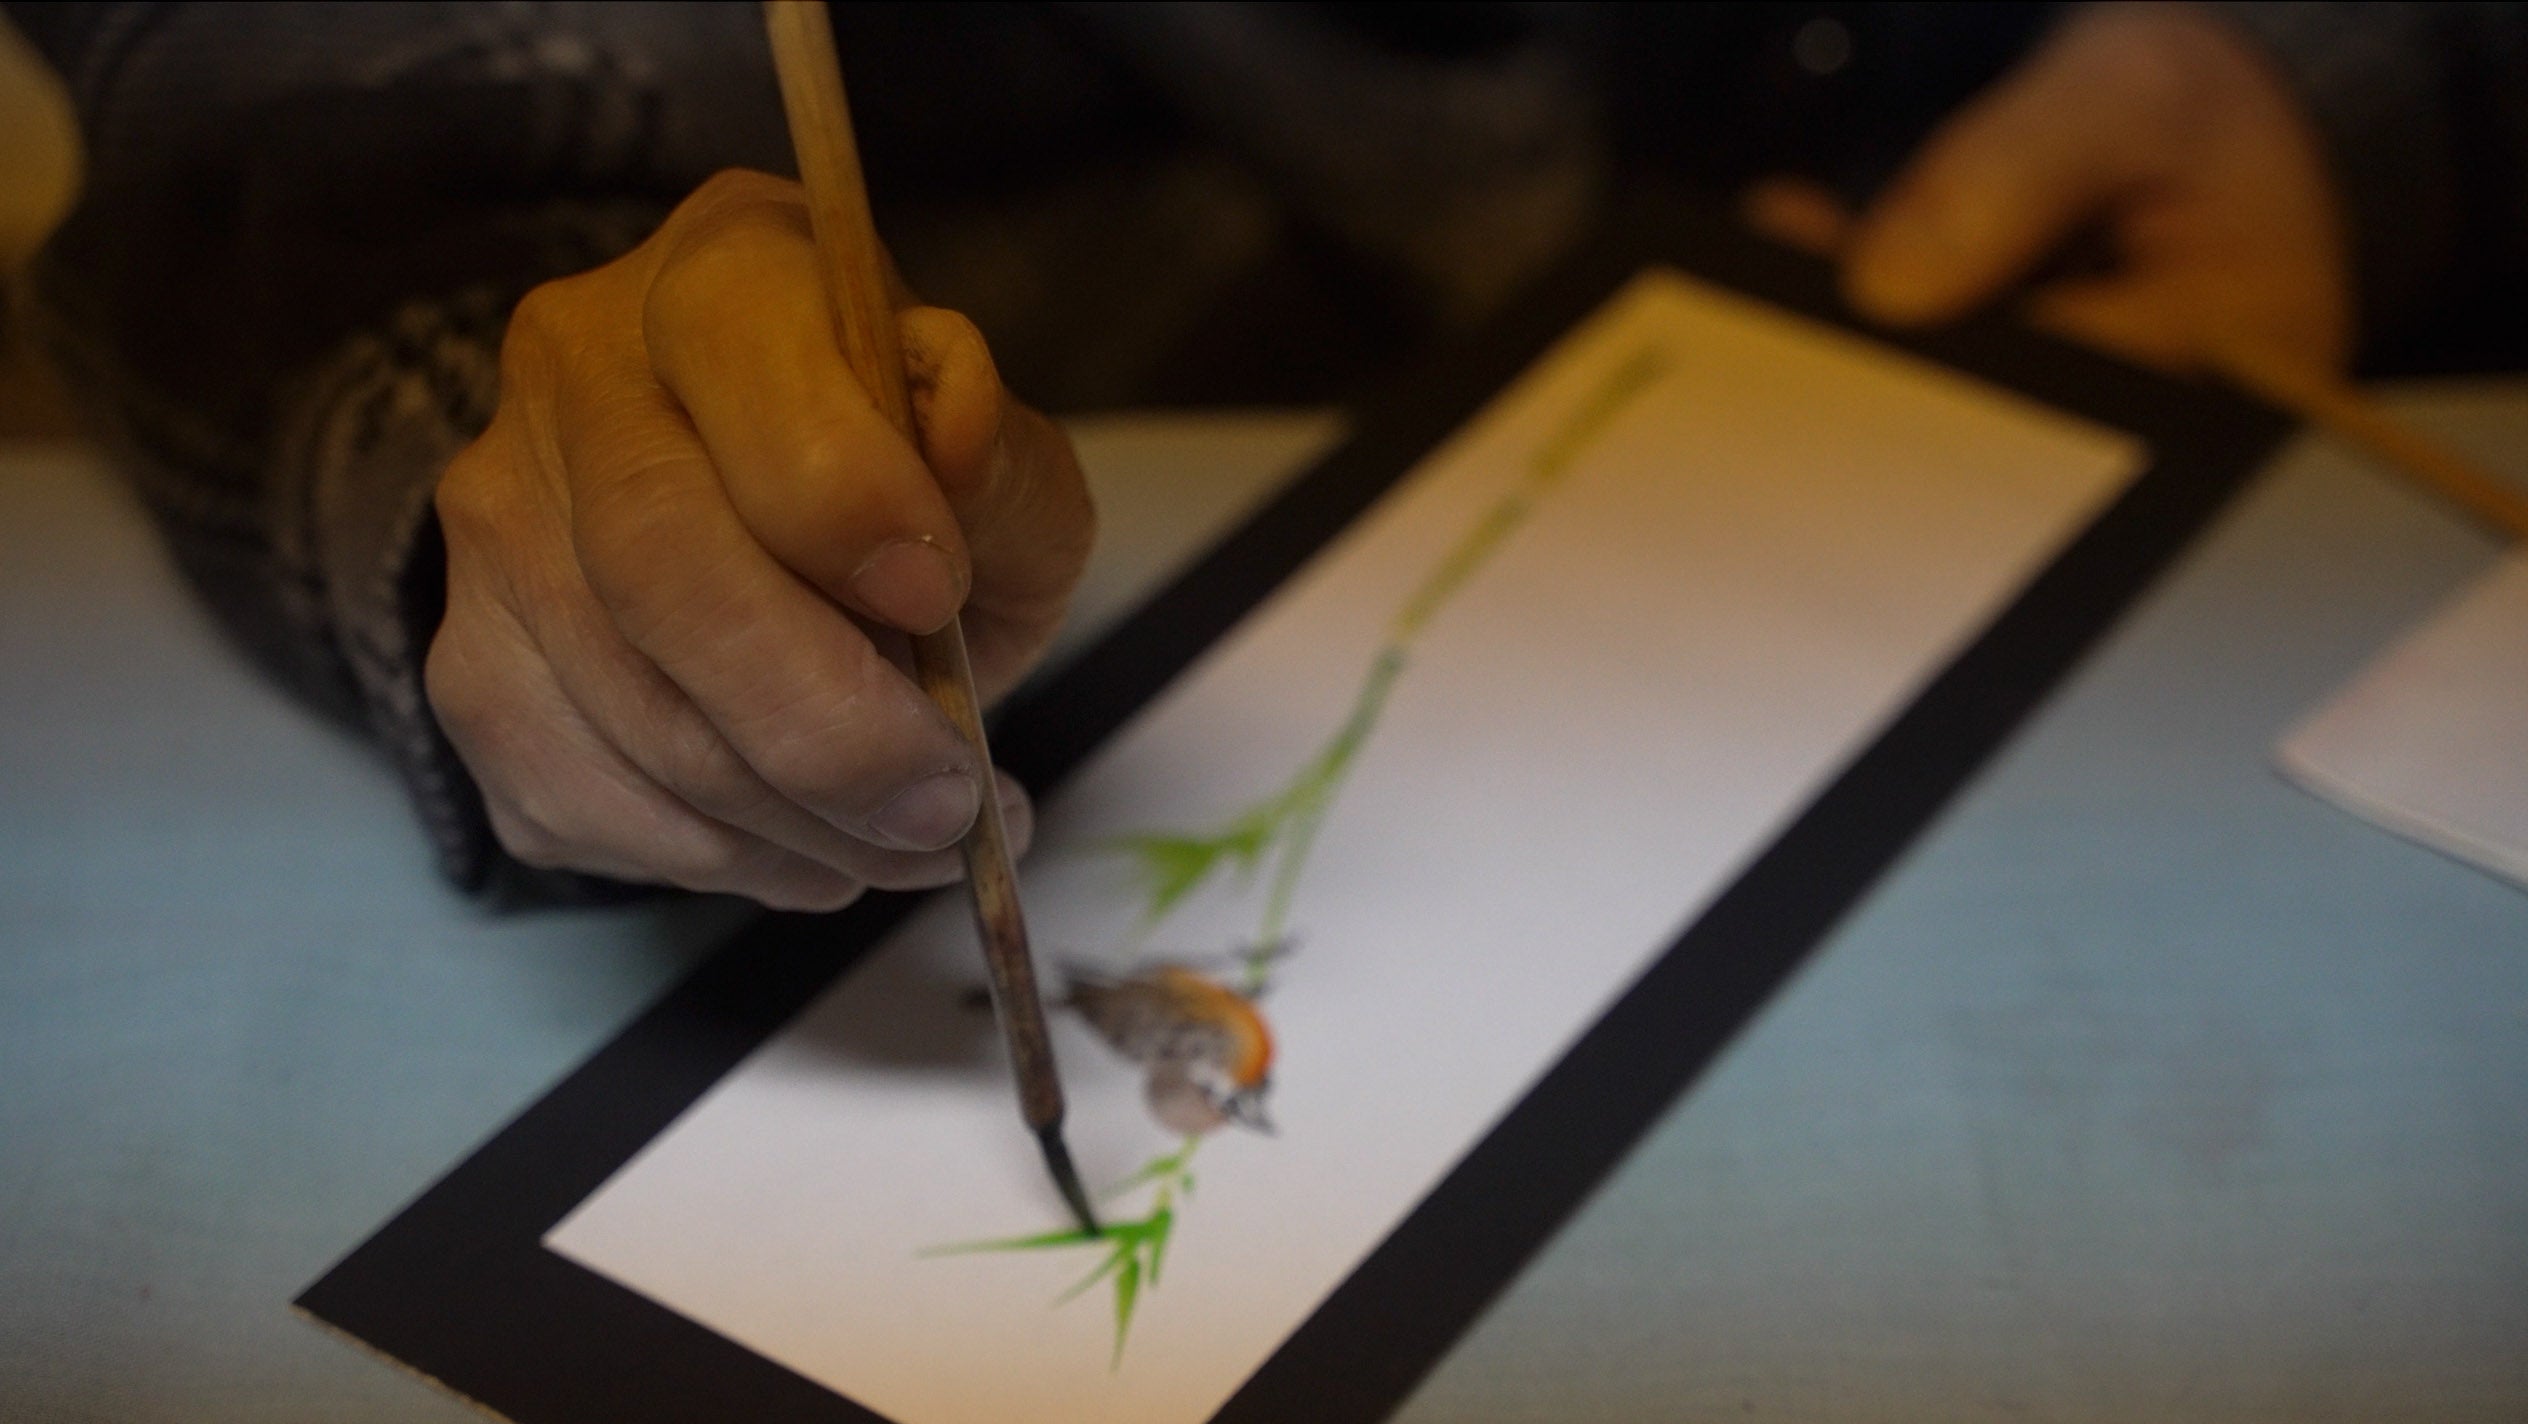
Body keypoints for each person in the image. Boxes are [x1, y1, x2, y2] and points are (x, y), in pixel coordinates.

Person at [10, 2, 2523, 909]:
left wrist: (2359, 73)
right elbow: (327, 117)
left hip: (2123, 421)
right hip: (1146, 386)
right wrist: (543, 471)